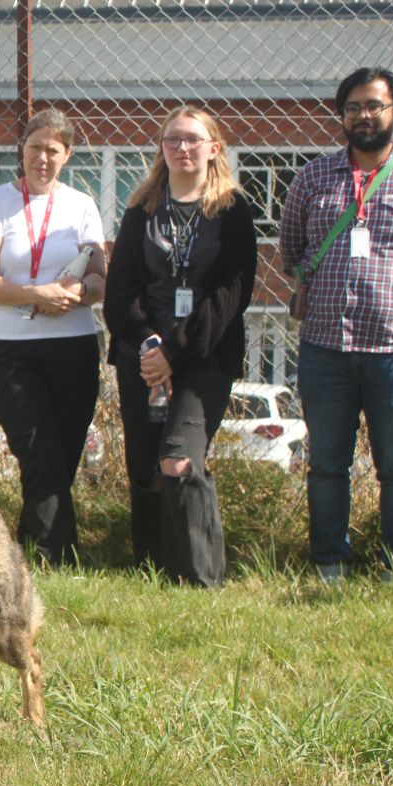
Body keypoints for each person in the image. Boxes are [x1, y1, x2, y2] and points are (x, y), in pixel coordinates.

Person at [279, 67, 393, 582]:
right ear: (342, 115)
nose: (364, 115)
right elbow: (290, 251)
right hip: (325, 346)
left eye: (375, 106)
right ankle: (329, 563)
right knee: (327, 465)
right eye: (354, 106)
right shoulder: (312, 178)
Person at [103, 107, 257, 587]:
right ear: (161, 149)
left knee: (179, 458)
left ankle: (199, 577)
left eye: (193, 139)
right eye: (173, 140)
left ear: (214, 148)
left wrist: (175, 350)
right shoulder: (141, 210)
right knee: (147, 467)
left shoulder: (232, 212)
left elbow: (231, 296)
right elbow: (121, 293)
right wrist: (150, 345)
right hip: (143, 358)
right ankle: (151, 569)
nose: (182, 148)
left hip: (204, 357)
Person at [0, 108, 107, 568]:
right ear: (21, 150)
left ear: (67, 154)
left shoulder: (82, 205)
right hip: (12, 347)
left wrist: (76, 294)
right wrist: (34, 293)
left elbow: (101, 281)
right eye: (34, 147)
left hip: (74, 343)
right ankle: (56, 558)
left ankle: (29, 548)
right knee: (37, 451)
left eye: (52, 149)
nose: (41, 158)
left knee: (62, 455)